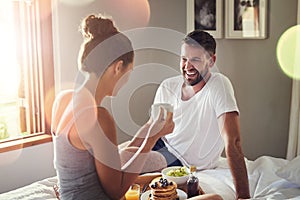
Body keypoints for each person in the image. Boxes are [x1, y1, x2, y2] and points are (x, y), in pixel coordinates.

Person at [51, 14, 175, 200]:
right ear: (118, 67)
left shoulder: (63, 100)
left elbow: (108, 165)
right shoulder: (99, 117)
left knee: (156, 177)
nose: (128, 79)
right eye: (129, 71)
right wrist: (152, 139)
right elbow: (116, 191)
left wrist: (148, 129)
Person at [152, 30, 251, 199]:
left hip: (181, 163)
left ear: (211, 61)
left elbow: (233, 142)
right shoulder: (167, 86)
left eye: (196, 60)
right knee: (123, 154)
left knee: (126, 165)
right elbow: (153, 133)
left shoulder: (219, 85)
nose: (187, 66)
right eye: (184, 59)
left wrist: (244, 197)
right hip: (162, 149)